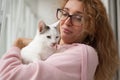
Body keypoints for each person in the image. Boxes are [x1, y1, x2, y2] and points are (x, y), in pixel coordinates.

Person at [0, 0, 119, 80]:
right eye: (65, 13)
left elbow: (7, 74)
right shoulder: (58, 49)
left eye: (78, 18)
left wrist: (17, 44)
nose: (67, 22)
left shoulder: (83, 53)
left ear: (91, 27)